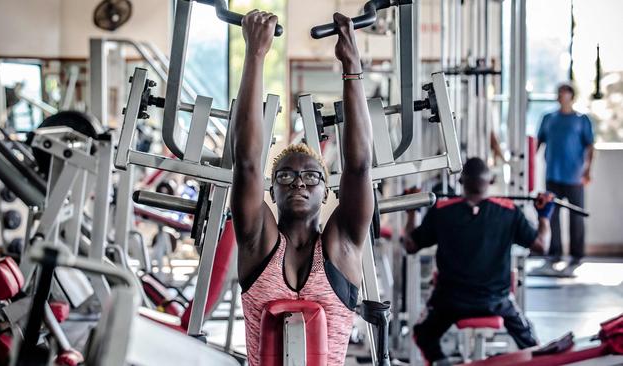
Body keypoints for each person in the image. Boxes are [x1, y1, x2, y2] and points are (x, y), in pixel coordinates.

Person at [230, 11, 374, 366]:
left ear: (327, 192)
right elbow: (246, 162)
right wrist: (255, 55)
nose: (298, 182)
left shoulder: (343, 244)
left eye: (312, 177)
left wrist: (352, 67)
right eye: (285, 177)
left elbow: (358, 166)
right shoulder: (257, 239)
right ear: (272, 190)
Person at [404, 158, 554, 365]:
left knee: (423, 334)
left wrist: (411, 211)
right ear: (490, 181)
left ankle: (440, 361)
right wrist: (544, 215)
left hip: (450, 302)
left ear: (460, 181)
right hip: (496, 302)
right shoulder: (509, 211)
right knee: (532, 345)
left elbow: (410, 245)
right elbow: (542, 245)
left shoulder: (441, 211)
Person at [537, 83, 595, 268]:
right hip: (553, 175)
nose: (562, 95)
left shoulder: (581, 119)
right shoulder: (548, 118)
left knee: (576, 217)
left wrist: (587, 170)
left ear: (572, 96)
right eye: (560, 92)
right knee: (551, 216)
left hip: (574, 176)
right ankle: (555, 252)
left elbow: (590, 146)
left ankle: (577, 254)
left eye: (565, 93)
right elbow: (538, 143)